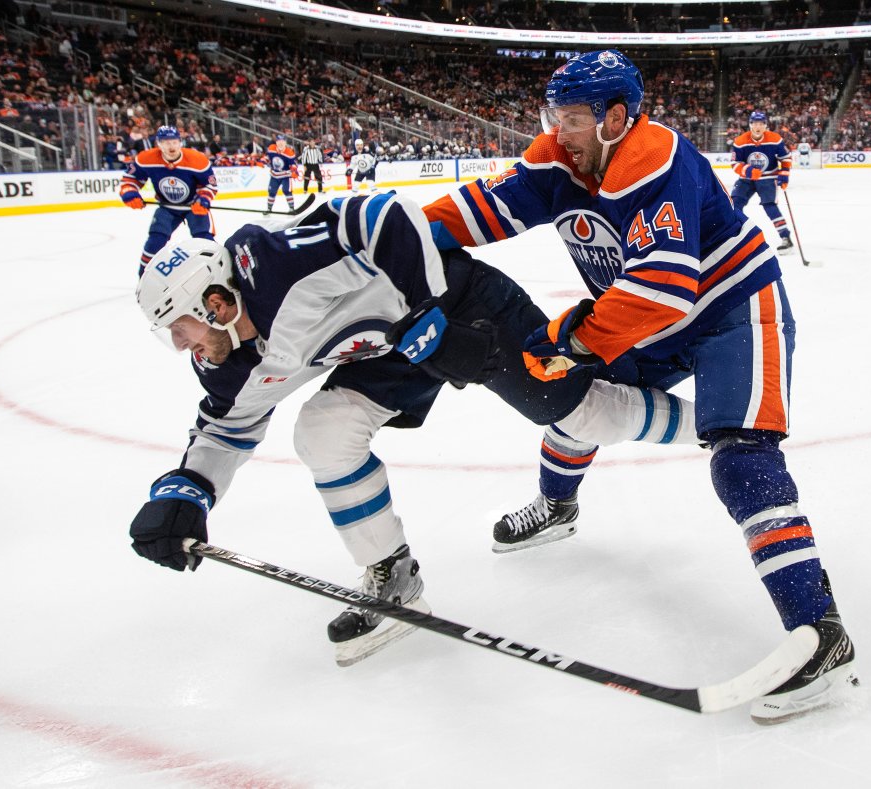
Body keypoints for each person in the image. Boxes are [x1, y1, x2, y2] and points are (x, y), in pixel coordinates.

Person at [423, 49, 856, 724]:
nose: (557, 130)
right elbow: (484, 207)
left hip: (732, 308)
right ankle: (557, 506)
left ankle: (820, 634)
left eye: (570, 118)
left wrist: (576, 337)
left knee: (741, 461)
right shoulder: (561, 157)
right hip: (648, 317)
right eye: (554, 116)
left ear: (615, 118)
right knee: (579, 402)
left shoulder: (655, 158)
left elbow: (664, 288)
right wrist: (401, 235)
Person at [129, 192, 700, 667]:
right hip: (391, 345)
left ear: (214, 301)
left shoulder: (277, 266)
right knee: (323, 433)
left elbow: (386, 217)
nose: (181, 346)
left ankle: (720, 425)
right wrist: (186, 492)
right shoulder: (228, 358)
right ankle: (393, 575)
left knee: (585, 414)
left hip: (459, 303)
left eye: (179, 327)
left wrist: (428, 320)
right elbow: (225, 430)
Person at [119, 125, 217, 272]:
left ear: (180, 142)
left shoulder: (197, 160)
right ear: (159, 144)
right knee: (155, 241)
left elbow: (210, 185)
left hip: (193, 207)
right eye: (166, 142)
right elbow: (130, 179)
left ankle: (218, 273)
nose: (171, 146)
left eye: (174, 142)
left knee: (204, 240)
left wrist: (203, 199)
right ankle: (144, 278)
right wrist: (130, 193)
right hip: (167, 208)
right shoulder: (146, 158)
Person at [730, 111, 794, 252]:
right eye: (755, 124)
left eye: (761, 124)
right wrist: (748, 171)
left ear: (765, 125)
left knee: (770, 206)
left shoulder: (775, 139)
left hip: (768, 177)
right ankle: (731, 236)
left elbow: (786, 158)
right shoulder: (741, 141)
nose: (758, 127)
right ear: (750, 125)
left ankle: (785, 237)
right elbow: (735, 163)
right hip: (746, 179)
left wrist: (784, 175)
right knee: (733, 204)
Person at [263, 134, 297, 213]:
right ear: (276, 142)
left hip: (285, 175)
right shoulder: (271, 148)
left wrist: (294, 171)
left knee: (286, 190)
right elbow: (267, 158)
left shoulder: (289, 152)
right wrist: (262, 161)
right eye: (279, 141)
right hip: (274, 175)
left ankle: (291, 208)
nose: (280, 143)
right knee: (271, 192)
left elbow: (293, 164)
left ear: (285, 142)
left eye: (282, 141)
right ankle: (269, 209)